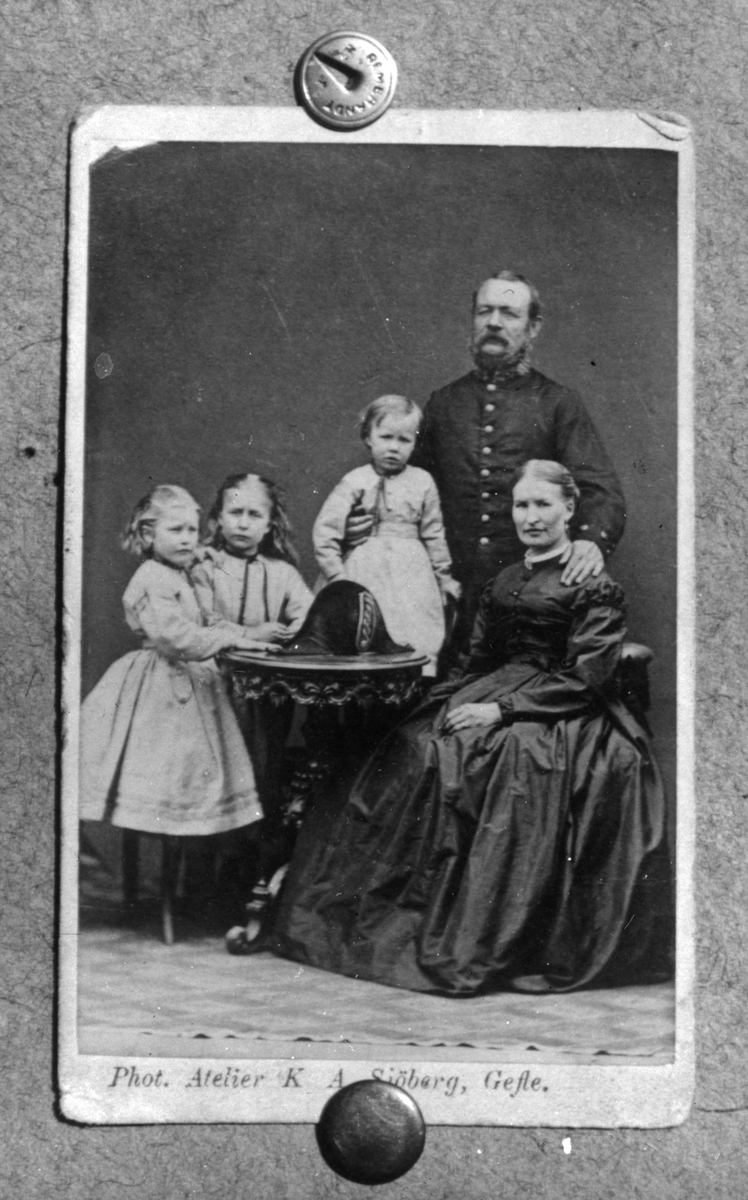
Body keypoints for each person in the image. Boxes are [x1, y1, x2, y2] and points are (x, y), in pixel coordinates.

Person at [268, 461, 672, 994]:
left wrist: (501, 711)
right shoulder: (505, 580)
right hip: (495, 686)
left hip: (562, 709)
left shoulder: (592, 584)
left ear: (569, 509)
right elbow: (479, 659)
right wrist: (452, 699)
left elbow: (586, 678)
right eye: (522, 505)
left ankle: (470, 930)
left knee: (493, 757)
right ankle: (396, 918)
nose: (531, 517)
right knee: (414, 743)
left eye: (543, 505)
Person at [346, 272, 627, 665]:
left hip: (533, 592)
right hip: (449, 593)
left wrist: (591, 542)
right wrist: (366, 523)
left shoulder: (558, 403)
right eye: (485, 311)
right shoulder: (444, 402)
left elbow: (601, 492)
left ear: (533, 327)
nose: (494, 322)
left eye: (509, 313)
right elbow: (406, 485)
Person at [79, 484, 277, 840]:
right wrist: (231, 639)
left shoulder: (178, 572)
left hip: (193, 680)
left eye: (192, 530)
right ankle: (166, 854)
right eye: (176, 530)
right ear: (148, 534)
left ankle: (183, 853)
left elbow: (203, 619)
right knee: (166, 765)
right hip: (162, 683)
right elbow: (176, 638)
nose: (187, 539)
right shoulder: (150, 578)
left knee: (190, 767)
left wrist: (248, 636)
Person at [192, 473, 313, 874]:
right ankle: (207, 872)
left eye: (254, 514)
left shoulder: (282, 573)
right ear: (218, 519)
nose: (243, 523)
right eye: (235, 512)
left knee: (262, 773)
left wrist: (288, 636)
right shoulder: (204, 568)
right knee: (216, 773)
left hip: (267, 696)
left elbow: (308, 614)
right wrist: (253, 635)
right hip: (214, 687)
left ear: (270, 523)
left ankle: (247, 873)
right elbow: (204, 622)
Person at [312, 395, 461, 675]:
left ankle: (412, 685)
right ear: (368, 437)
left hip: (412, 570)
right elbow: (326, 530)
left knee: (414, 625)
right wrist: (337, 577)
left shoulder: (422, 481)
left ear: (415, 443)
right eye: (386, 437)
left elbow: (433, 533)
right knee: (364, 625)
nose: (394, 447)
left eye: (404, 440)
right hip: (364, 568)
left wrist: (443, 577)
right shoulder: (355, 480)